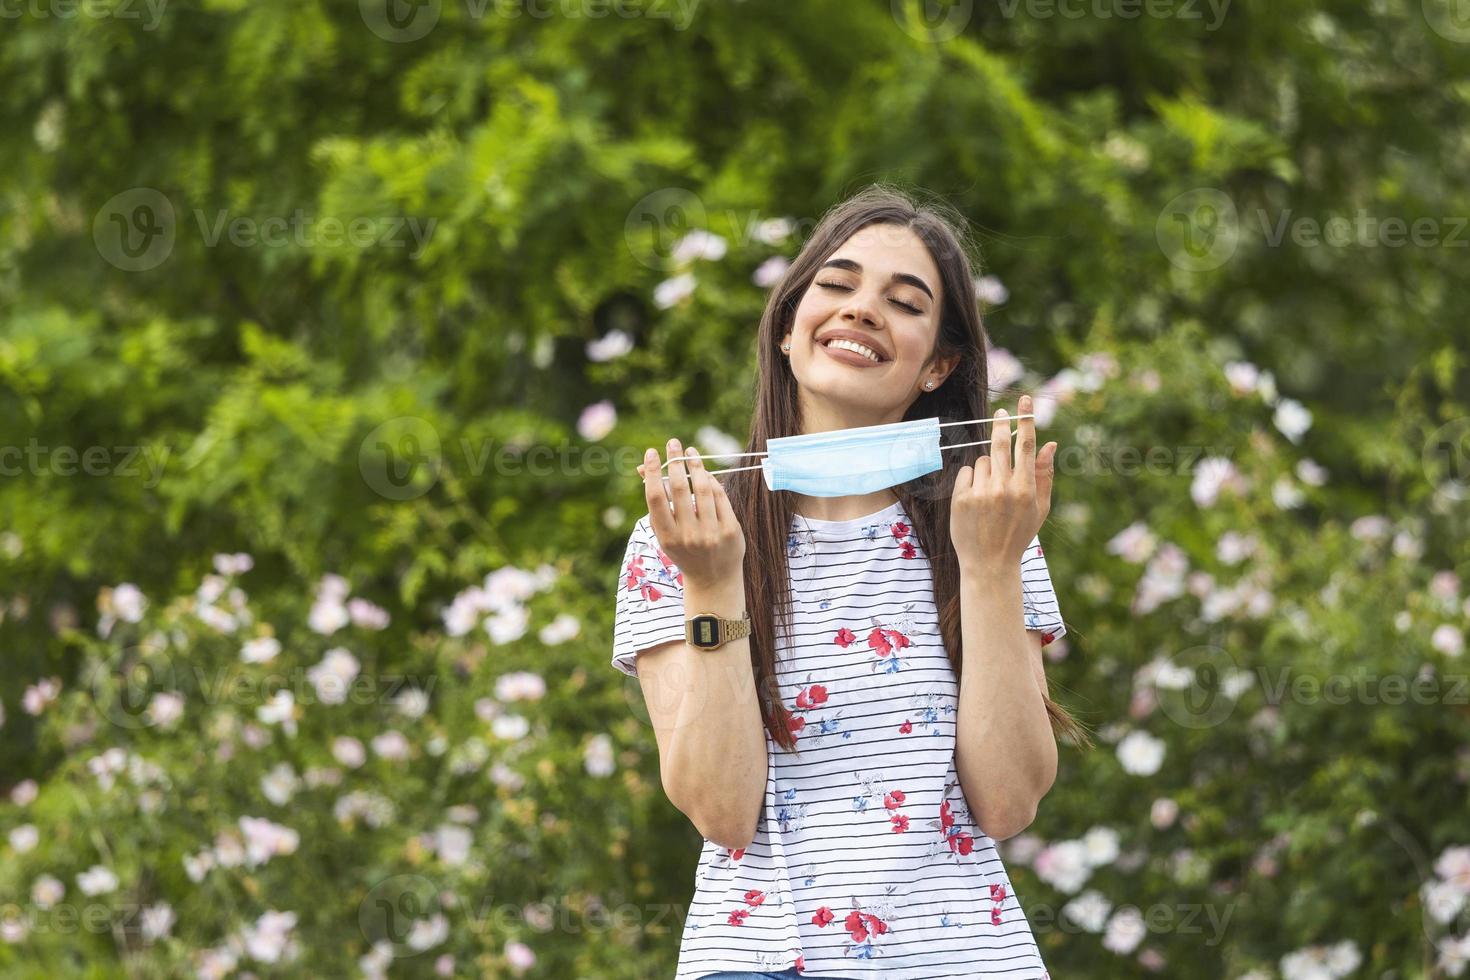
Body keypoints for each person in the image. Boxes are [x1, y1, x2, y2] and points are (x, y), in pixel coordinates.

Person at [611, 184, 1091, 980]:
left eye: (904, 303)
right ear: (790, 330)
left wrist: (992, 564)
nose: (862, 310)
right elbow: (722, 811)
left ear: (939, 365)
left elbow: (1008, 802)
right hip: (759, 960)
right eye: (836, 286)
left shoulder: (985, 528)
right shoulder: (691, 537)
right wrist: (713, 588)